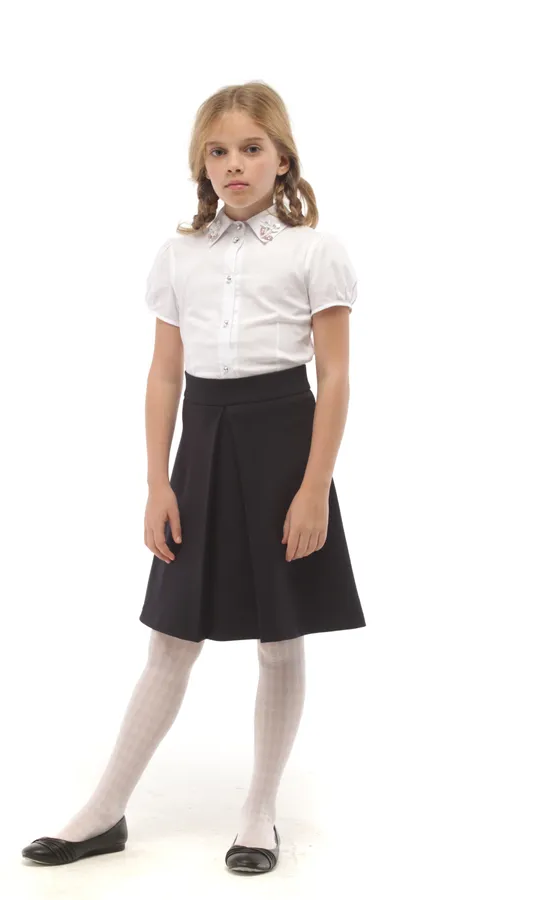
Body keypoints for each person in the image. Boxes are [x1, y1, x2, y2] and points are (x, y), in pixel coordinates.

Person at [22, 80, 366, 876]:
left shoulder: (314, 251)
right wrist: (157, 482)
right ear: (201, 165)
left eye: (251, 148)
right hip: (203, 445)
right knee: (172, 635)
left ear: (283, 160)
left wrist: (314, 487)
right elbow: (164, 376)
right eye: (218, 151)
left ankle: (258, 815)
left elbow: (336, 377)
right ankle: (103, 811)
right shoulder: (178, 257)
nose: (234, 164)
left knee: (280, 635)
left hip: (285, 444)